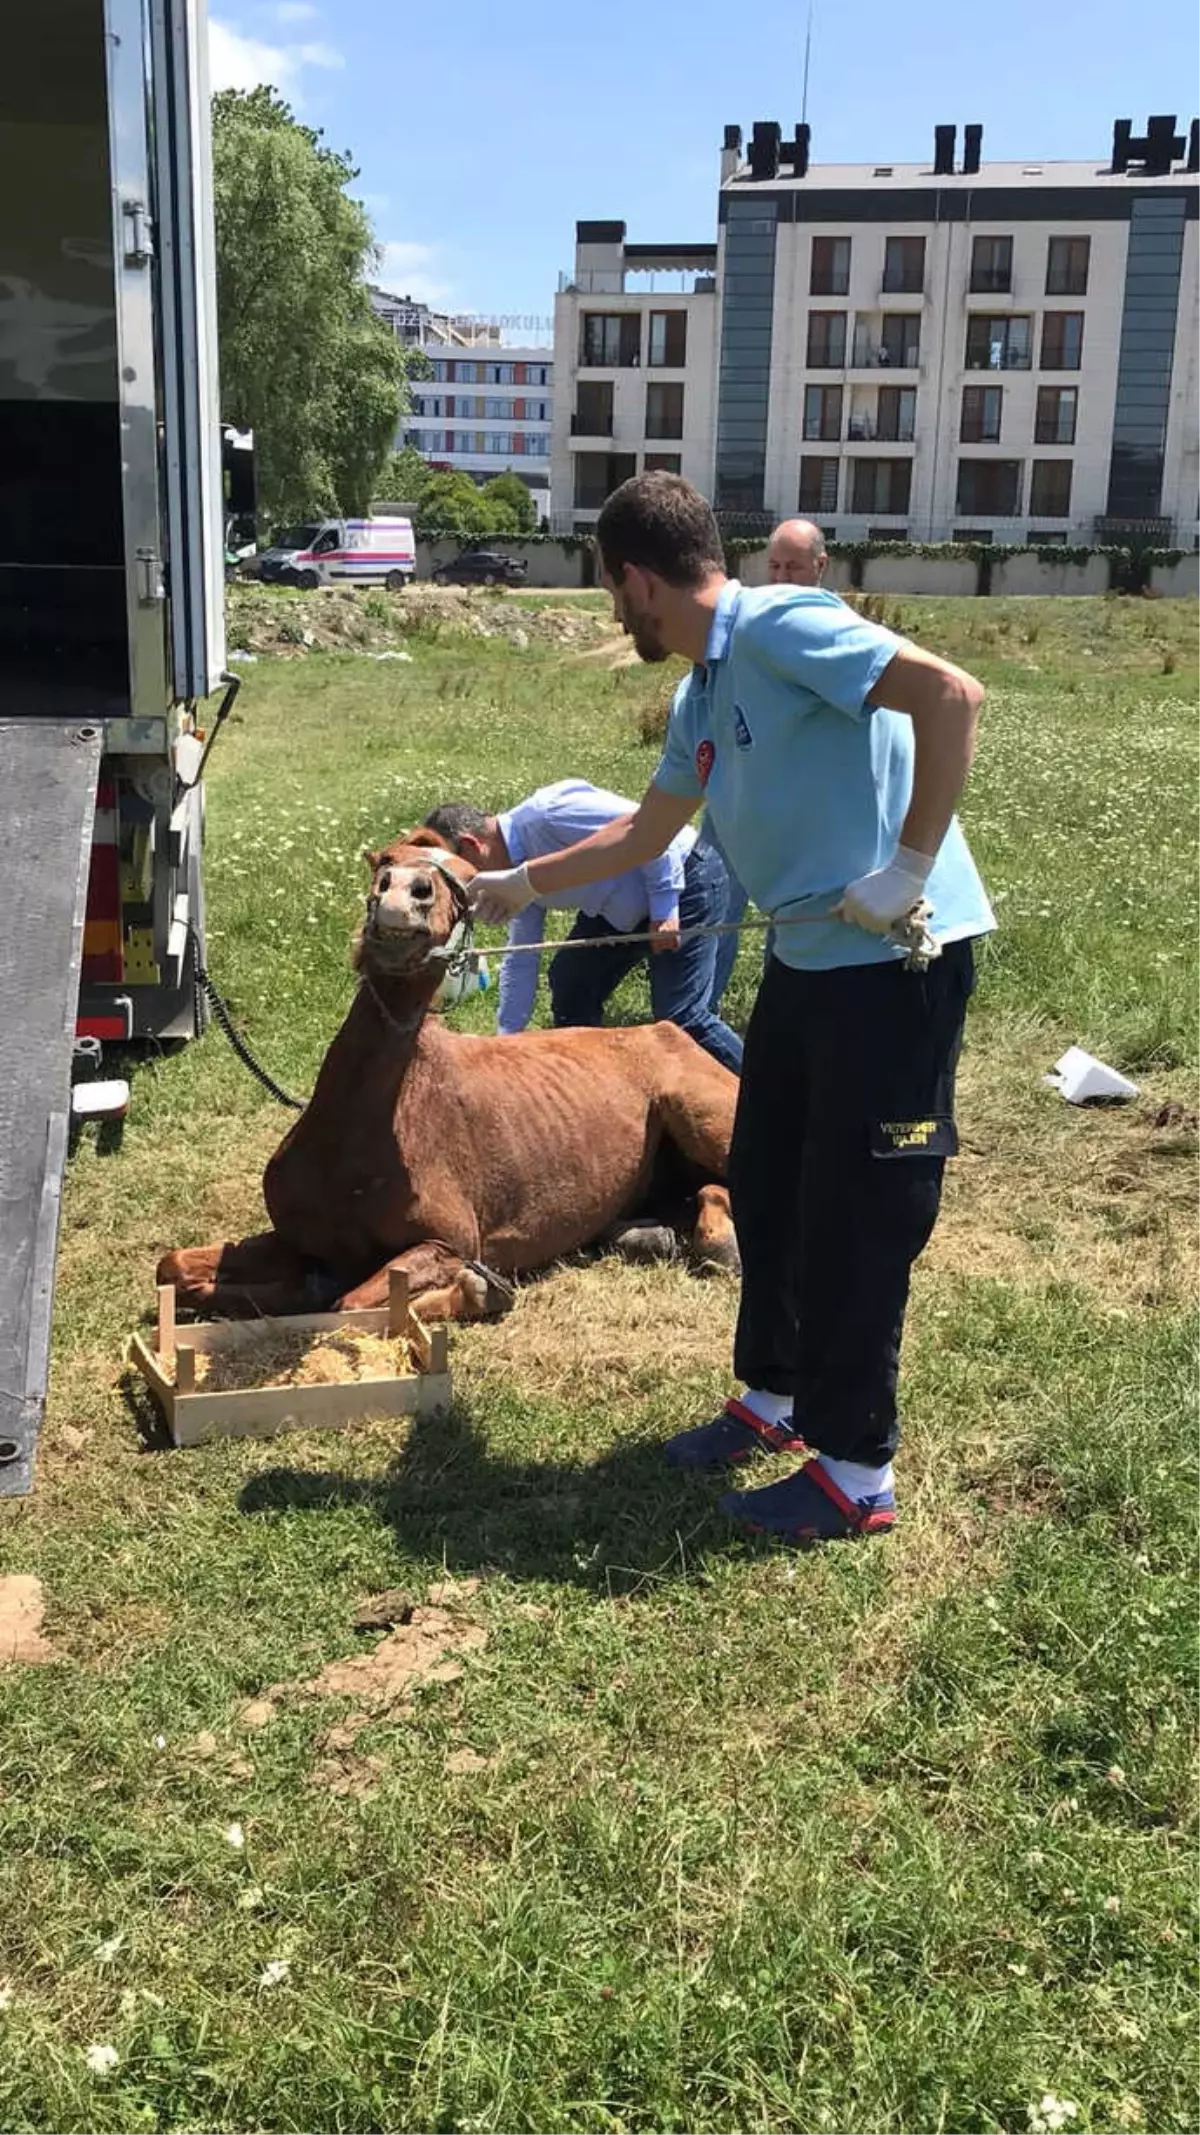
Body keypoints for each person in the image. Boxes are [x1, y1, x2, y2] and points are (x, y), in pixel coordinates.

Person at [467, 472, 994, 1546]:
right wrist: (515, 887)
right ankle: (777, 1398)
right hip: (810, 958)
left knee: (856, 1206)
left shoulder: (782, 624)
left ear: (636, 578)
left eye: (612, 594)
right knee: (763, 1172)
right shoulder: (705, 687)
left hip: (895, 958)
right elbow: (642, 832)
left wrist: (908, 865)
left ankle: (857, 1472)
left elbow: (952, 696)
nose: (616, 616)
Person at [423, 787, 743, 1074]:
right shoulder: (511, 875)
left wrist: (664, 907)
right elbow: (521, 958)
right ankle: (591, 1087)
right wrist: (507, 1038)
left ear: (470, 847)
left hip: (685, 879)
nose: (471, 891)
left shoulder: (550, 813)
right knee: (571, 983)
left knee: (681, 1018)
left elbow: (653, 833)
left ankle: (771, 1093)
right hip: (619, 908)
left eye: (464, 878)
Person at [704, 517, 830, 1009]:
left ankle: (781, 1013)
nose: (780, 577)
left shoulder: (829, 628)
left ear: (820, 566)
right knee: (716, 903)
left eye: (793, 567)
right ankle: (698, 1011)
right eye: (773, 566)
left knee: (792, 914)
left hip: (795, 802)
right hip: (733, 786)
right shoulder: (744, 623)